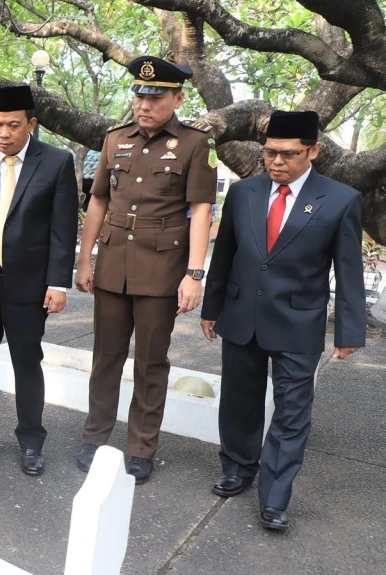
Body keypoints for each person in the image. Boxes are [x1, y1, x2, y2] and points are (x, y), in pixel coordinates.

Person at [200, 110, 365, 531]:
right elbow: (225, 256)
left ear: (313, 151)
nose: (276, 162)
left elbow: (349, 271)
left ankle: (274, 496)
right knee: (239, 400)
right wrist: (211, 308)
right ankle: (238, 466)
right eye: (270, 153)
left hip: (298, 322)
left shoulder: (340, 199)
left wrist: (348, 332)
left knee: (292, 413)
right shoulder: (245, 193)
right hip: (241, 317)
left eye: (288, 155)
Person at [74, 56, 217, 484]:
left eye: (155, 97)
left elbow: (201, 209)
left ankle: (141, 447)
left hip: (161, 267)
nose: (144, 104)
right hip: (113, 263)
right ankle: (96, 437)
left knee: (151, 363)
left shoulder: (194, 145)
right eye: (139, 95)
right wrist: (86, 259)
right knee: (105, 358)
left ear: (177, 98)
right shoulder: (114, 138)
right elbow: (97, 199)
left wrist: (194, 274)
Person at [0, 85, 79, 475]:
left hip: (27, 286)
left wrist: (59, 283)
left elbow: (62, 229)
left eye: (12, 125)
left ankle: (31, 441)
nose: (3, 133)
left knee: (27, 363)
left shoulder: (55, 162)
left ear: (31, 125)